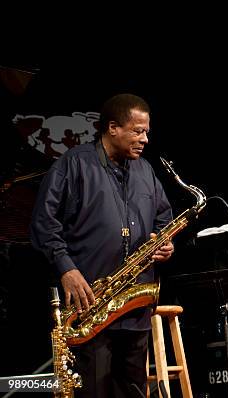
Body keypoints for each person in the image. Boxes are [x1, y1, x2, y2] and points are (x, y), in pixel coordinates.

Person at [30, 93, 174, 397]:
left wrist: (163, 243)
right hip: (90, 306)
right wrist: (66, 269)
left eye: (147, 131)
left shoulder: (146, 171)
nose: (145, 139)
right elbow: (44, 222)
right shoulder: (74, 163)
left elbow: (164, 217)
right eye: (138, 131)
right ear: (112, 128)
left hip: (135, 309)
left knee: (133, 391)